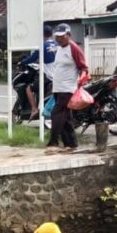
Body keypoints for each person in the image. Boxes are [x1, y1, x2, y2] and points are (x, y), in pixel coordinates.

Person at [47, 23, 88, 153]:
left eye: (62, 36)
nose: (58, 39)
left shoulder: (74, 48)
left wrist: (81, 79)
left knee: (56, 113)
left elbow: (84, 68)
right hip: (58, 88)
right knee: (66, 118)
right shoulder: (59, 48)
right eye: (57, 37)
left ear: (69, 35)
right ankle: (71, 144)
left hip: (68, 88)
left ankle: (53, 141)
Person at [19, 23, 58, 119]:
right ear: (52, 34)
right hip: (59, 76)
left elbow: (32, 58)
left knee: (28, 88)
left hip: (49, 76)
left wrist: (22, 62)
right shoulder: (57, 44)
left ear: (42, 35)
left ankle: (34, 109)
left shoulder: (43, 46)